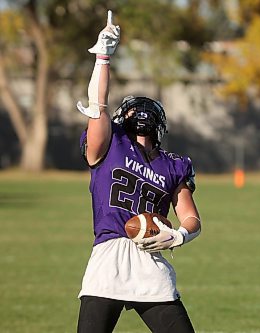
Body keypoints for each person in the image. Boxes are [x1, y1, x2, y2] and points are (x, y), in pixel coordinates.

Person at [76, 11, 201, 333]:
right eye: (133, 109)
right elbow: (98, 103)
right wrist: (102, 57)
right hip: (109, 257)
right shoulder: (109, 144)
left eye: (146, 110)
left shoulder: (174, 164)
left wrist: (177, 236)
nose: (139, 113)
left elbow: (191, 218)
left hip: (150, 262)